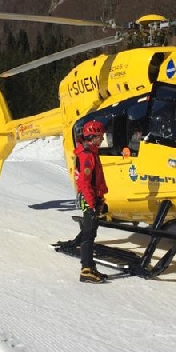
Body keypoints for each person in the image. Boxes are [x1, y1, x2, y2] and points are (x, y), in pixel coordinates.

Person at [74, 119, 109, 284]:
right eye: (100, 136)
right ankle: (86, 270)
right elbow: (84, 182)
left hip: (93, 197)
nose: (102, 139)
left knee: (91, 232)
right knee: (88, 233)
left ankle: (90, 266)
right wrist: (93, 203)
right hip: (89, 198)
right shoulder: (87, 155)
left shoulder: (91, 152)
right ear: (92, 136)